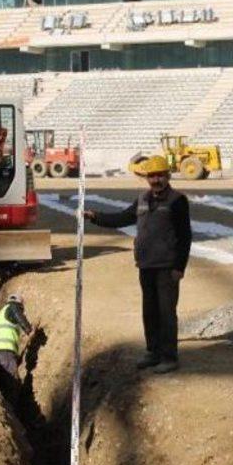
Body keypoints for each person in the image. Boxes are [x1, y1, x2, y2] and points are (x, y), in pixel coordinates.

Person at [85, 155, 192, 374]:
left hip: (166, 267)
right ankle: (153, 352)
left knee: (166, 313)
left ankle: (169, 357)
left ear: (168, 176)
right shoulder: (142, 199)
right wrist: (95, 216)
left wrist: (179, 267)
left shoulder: (177, 200)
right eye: (152, 176)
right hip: (146, 265)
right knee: (150, 311)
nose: (156, 180)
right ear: (146, 178)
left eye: (160, 175)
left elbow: (185, 236)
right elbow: (122, 218)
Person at [0, 294, 33, 405]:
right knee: (11, 381)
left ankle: (3, 407)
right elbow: (16, 313)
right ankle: (13, 410)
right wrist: (28, 329)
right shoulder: (12, 307)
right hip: (4, 350)